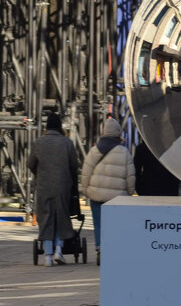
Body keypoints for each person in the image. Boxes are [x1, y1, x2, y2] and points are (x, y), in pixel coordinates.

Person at [28, 112, 79, 267]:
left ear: (47, 126)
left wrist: (41, 173)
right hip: (63, 186)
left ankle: (48, 255)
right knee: (61, 217)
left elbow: (30, 164)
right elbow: (74, 166)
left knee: (46, 217)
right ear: (59, 126)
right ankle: (59, 250)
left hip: (44, 186)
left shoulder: (38, 143)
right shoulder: (67, 143)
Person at [81, 117, 135, 264]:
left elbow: (86, 172)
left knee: (98, 223)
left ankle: (100, 248)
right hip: (117, 197)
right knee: (115, 224)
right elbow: (130, 175)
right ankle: (114, 249)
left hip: (97, 195)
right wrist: (130, 192)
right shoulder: (124, 152)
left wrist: (86, 190)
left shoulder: (94, 150)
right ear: (118, 133)